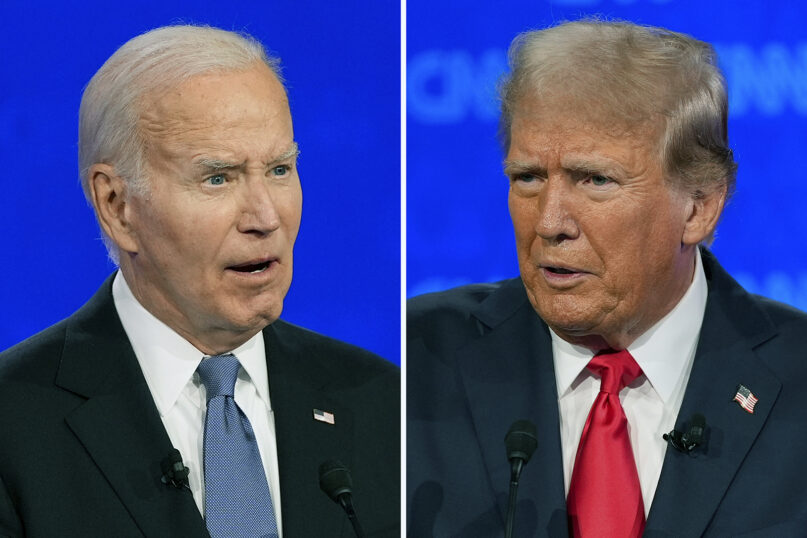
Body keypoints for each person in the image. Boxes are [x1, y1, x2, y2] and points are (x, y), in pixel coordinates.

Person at [407, 19, 807, 537]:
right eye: (528, 177)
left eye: (595, 179)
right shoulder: (417, 363)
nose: (549, 223)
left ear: (698, 209)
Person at [0, 25, 399, 537]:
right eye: (218, 177)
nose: (265, 216)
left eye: (280, 170)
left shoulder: (382, 404)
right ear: (117, 207)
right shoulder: (14, 426)